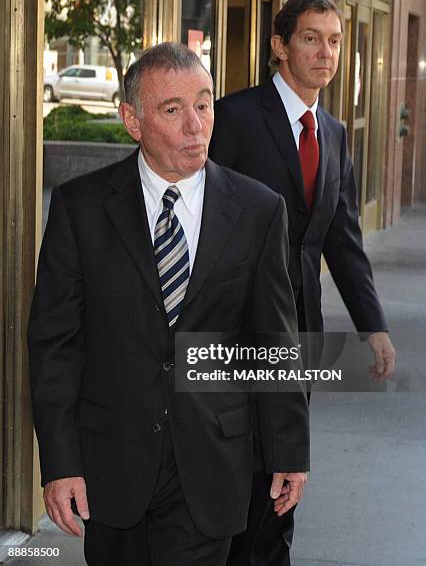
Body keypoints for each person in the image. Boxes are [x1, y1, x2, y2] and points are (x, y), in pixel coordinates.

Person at [28, 42, 310, 566]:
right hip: (113, 466)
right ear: (132, 120)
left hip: (212, 462)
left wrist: (289, 449)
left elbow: (275, 341)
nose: (195, 125)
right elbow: (55, 346)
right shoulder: (81, 208)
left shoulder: (258, 210)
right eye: (172, 109)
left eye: (204, 104)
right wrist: (60, 463)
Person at [210, 0, 396, 566]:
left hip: (302, 330)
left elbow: (341, 239)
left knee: (286, 467)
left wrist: (373, 326)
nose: (325, 52)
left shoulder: (335, 134)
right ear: (280, 45)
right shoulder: (235, 117)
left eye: (335, 40)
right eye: (311, 38)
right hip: (234, 329)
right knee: (239, 467)